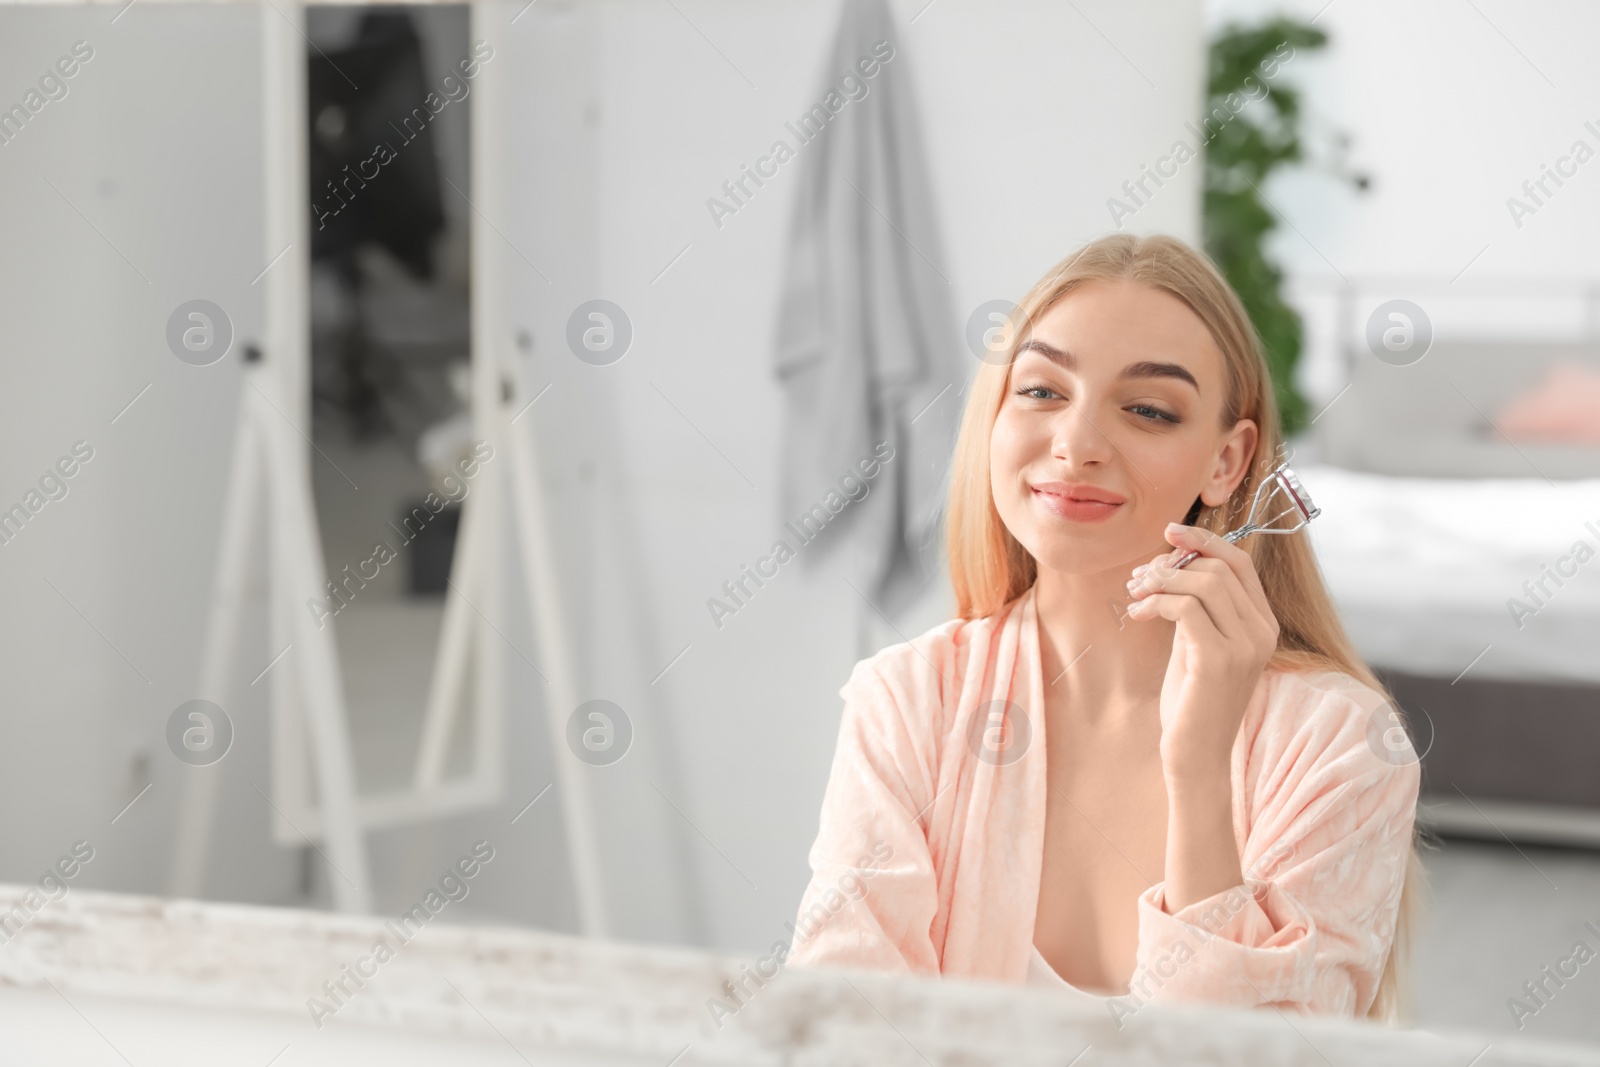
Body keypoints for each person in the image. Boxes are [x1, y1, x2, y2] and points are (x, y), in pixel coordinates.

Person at [786, 233, 1429, 1022]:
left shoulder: (1339, 743)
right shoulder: (909, 701)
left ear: (1227, 463)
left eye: (1148, 410)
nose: (1078, 444)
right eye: (1042, 391)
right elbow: (836, 1028)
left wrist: (1197, 773)